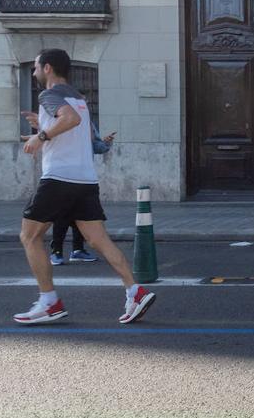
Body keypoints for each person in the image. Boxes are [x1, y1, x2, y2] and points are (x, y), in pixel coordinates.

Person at [15, 49, 156, 325]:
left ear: (48, 69)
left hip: (59, 179)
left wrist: (41, 136)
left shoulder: (50, 95)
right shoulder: (79, 98)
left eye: (35, 67)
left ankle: (49, 301)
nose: (33, 73)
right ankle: (135, 291)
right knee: (98, 240)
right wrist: (41, 125)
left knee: (29, 237)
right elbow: (79, 132)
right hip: (85, 180)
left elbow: (70, 121)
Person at [49, 123, 115, 266]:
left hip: (84, 177)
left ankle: (78, 250)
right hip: (64, 175)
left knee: (82, 215)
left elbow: (97, 147)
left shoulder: (88, 122)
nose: (82, 100)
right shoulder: (63, 120)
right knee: (62, 216)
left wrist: (106, 143)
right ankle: (56, 252)